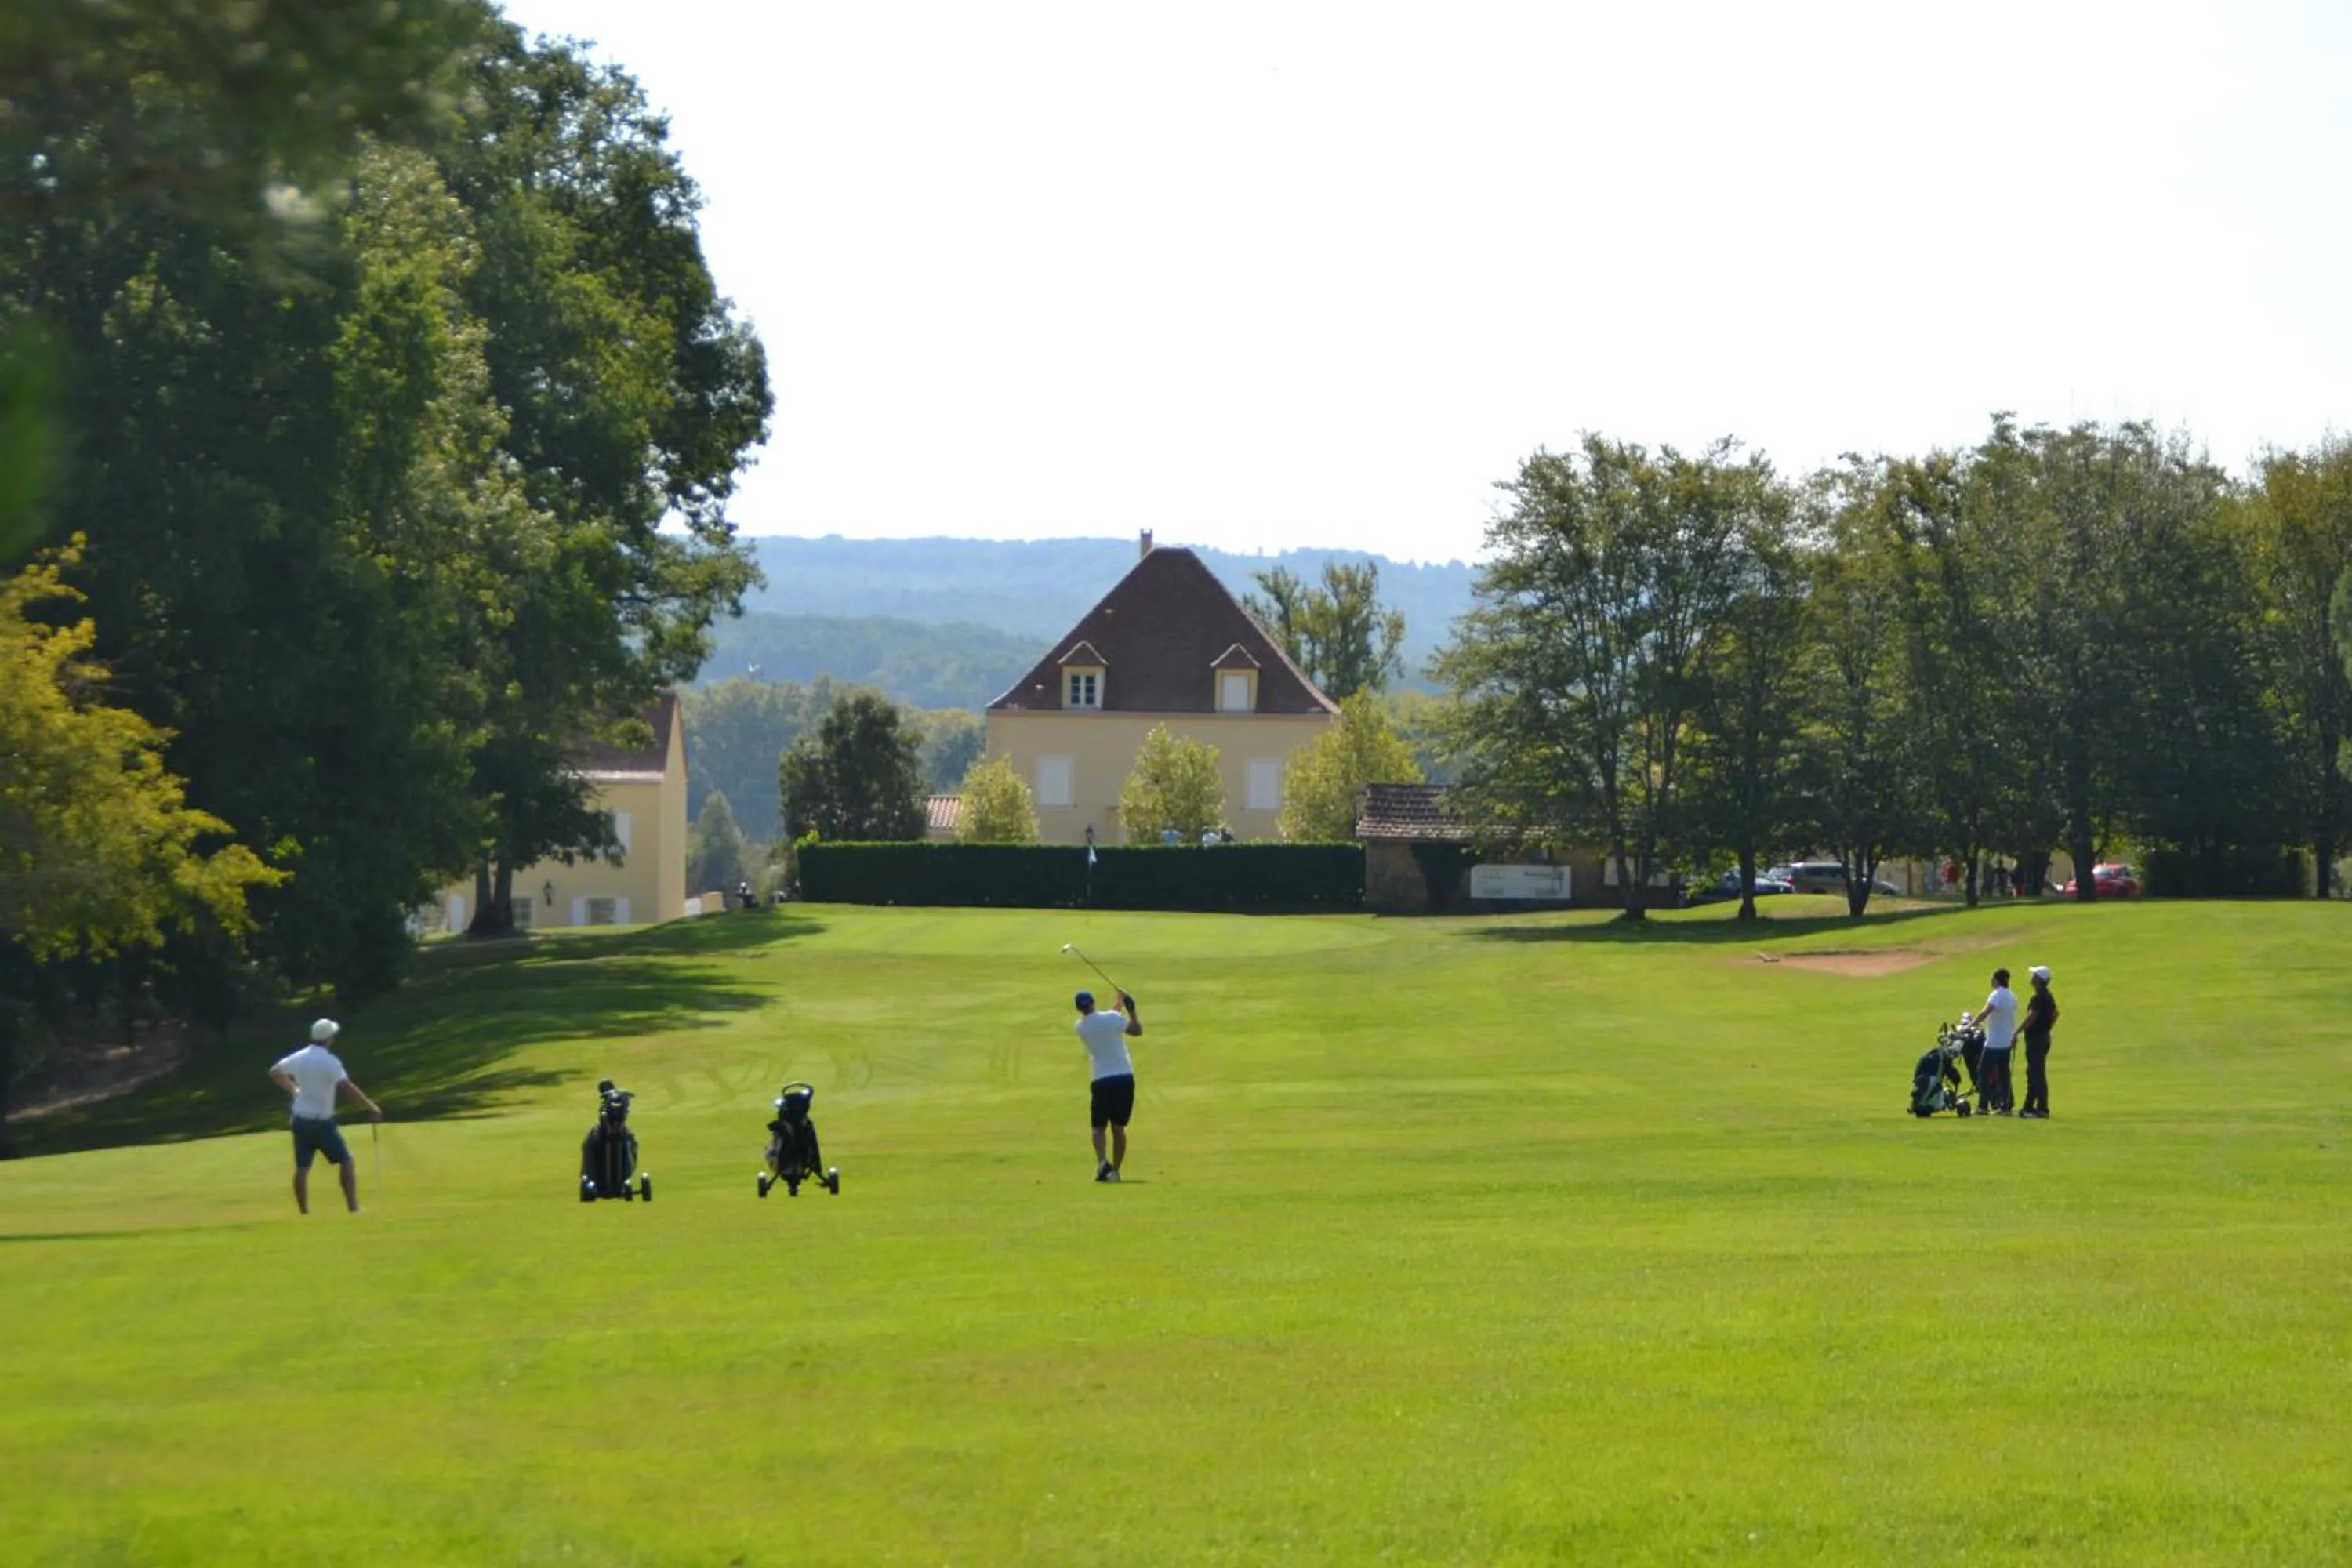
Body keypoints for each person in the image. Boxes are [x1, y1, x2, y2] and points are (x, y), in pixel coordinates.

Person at [268, 1018, 383, 1214]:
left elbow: (275, 1071)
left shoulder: (301, 1056)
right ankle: (353, 1207)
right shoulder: (330, 1062)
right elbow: (347, 1088)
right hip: (321, 1121)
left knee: (303, 1167)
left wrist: (294, 1090)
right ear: (329, 1039)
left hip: (299, 1119)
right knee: (346, 1161)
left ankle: (304, 1211)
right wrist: (371, 1107)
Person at [1073, 988, 1142, 1182]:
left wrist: (1119, 1002)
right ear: (1094, 1002)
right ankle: (1116, 1172)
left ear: (1079, 1009)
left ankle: (1103, 1163)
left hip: (1101, 1080)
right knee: (1118, 1128)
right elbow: (1136, 1031)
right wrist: (1131, 1009)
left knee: (1098, 1127)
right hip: (1123, 1077)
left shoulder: (1080, 1027)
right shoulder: (1112, 1019)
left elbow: (1106, 1022)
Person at [1968, 968, 2019, 1114]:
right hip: (2006, 1042)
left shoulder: (1996, 995)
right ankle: (2006, 1107)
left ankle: (1983, 1106)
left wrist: (1971, 1025)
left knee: (1983, 1072)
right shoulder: (2012, 996)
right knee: (2004, 1075)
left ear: (1997, 980)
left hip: (1993, 1043)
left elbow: (1985, 1012)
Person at [2020, 964, 2060, 1118]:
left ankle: (2039, 1109)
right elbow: (2056, 1014)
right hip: (2042, 1038)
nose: (2031, 978)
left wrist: (2017, 1031)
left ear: (2039, 980)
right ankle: (2032, 1107)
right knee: (2035, 1073)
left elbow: (2032, 1017)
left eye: (2034, 976)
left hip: (2036, 1040)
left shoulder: (2038, 998)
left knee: (2036, 1074)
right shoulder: (2048, 996)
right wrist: (2047, 1028)